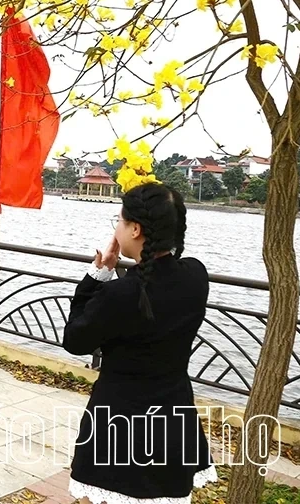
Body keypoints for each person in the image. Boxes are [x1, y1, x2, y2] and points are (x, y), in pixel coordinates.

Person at [63, 182, 216, 504]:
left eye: (118, 221)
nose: (116, 227)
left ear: (134, 229)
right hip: (174, 415)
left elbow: (75, 339)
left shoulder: (123, 293)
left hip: (121, 419)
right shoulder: (196, 275)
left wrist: (98, 274)